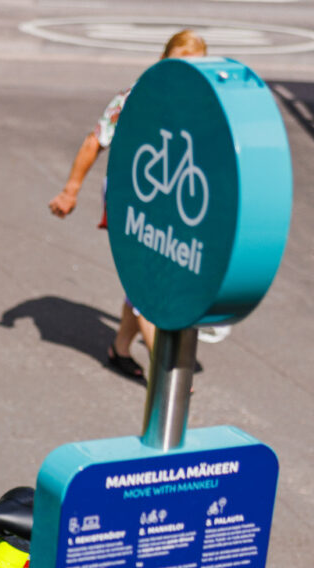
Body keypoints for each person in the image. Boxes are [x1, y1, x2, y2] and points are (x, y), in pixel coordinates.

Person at [48, 29, 208, 382]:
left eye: (195, 66)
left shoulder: (200, 100)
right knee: (148, 285)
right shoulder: (136, 96)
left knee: (148, 277)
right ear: (163, 60)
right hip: (130, 198)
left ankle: (119, 349)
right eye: (179, 63)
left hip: (169, 200)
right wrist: (70, 191)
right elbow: (96, 140)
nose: (185, 72)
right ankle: (169, 376)